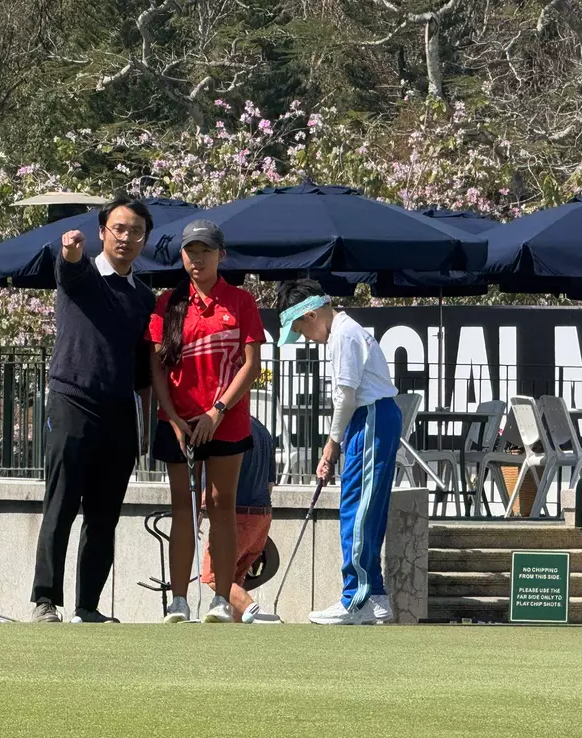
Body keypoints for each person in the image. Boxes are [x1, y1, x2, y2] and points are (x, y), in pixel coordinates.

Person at [30, 195, 156, 624]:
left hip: (120, 414)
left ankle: (88, 606)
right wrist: (69, 249)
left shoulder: (144, 297)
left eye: (136, 231)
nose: (126, 237)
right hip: (72, 402)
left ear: (144, 239)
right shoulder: (82, 276)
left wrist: (146, 424)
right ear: (102, 232)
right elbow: (68, 265)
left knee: (104, 516)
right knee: (61, 505)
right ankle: (45, 600)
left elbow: (143, 369)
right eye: (118, 228)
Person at [148, 220, 265, 624]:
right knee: (183, 507)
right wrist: (173, 417)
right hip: (178, 422)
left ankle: (220, 600)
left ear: (221, 255)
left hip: (225, 421)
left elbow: (251, 365)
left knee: (221, 504)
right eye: (190, 252)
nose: (197, 259)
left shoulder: (241, 301)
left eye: (206, 251)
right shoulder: (167, 303)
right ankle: (178, 601)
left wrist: (217, 411)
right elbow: (157, 367)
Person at [277, 279, 400, 625]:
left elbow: (345, 395)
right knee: (365, 510)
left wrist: (331, 445)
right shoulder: (345, 332)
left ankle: (354, 599)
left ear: (311, 315)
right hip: (371, 419)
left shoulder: (344, 335)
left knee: (356, 510)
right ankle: (374, 597)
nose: (305, 337)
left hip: (370, 416)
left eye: (301, 329)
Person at [198, 416, 281, 624]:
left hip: (237, 514)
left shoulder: (224, 427)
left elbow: (212, 480)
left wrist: (198, 514)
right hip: (262, 515)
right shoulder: (262, 430)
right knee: (235, 578)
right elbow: (270, 483)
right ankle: (238, 626)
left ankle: (255, 613)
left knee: (214, 575)